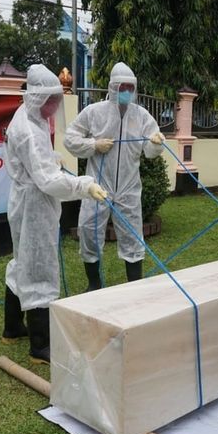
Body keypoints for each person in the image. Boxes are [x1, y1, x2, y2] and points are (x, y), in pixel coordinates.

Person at [2, 64, 107, 365]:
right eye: (53, 101)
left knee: (21, 262)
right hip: (34, 204)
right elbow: (48, 181)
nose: (55, 107)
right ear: (38, 98)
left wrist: (54, 159)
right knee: (38, 268)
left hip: (25, 200)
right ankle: (40, 344)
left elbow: (39, 164)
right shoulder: (29, 131)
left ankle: (12, 327)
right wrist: (84, 185)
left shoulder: (26, 117)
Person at [64, 62, 166, 291]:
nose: (126, 92)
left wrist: (156, 143)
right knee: (89, 231)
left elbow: (150, 151)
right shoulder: (94, 112)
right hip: (98, 186)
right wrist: (93, 144)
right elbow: (70, 138)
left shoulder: (141, 116)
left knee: (133, 236)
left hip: (129, 187)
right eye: (122, 87)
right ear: (112, 88)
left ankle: (134, 286)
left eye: (130, 88)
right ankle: (94, 283)